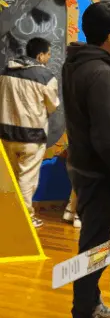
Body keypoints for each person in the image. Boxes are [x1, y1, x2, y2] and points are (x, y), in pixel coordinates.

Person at [62, 1, 110, 318]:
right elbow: (106, 136)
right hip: (100, 173)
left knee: (92, 242)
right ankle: (84, 309)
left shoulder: (76, 63)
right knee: (96, 249)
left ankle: (90, 301)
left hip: (85, 167)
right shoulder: (101, 74)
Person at [0, 37, 59, 228]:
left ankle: (8, 215)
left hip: (6, 134)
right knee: (27, 179)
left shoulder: (6, 71)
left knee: (9, 178)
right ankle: (25, 218)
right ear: (40, 55)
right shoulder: (46, 77)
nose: (49, 58)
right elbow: (52, 106)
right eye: (48, 54)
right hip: (32, 137)